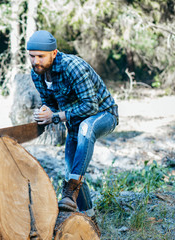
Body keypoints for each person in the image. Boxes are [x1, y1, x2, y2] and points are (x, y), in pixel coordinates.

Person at [27, 31, 118, 219]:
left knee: (86, 130)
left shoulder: (73, 66)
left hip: (103, 115)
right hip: (76, 124)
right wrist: (45, 112)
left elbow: (91, 106)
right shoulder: (37, 73)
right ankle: (89, 218)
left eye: (40, 56)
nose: (36, 61)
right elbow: (50, 103)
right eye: (32, 56)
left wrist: (56, 117)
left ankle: (70, 189)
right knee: (73, 169)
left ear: (54, 53)